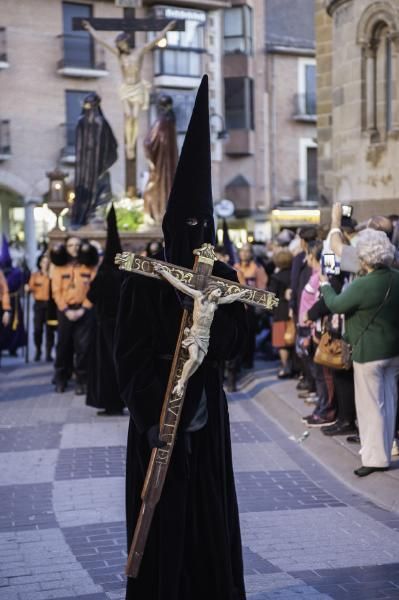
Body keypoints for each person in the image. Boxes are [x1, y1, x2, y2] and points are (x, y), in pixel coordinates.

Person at [114, 75, 247, 600]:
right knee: (162, 528)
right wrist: (150, 419)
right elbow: (128, 357)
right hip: (160, 426)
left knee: (206, 524)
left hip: (206, 419)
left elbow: (235, 345)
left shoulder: (227, 280)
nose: (195, 237)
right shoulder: (146, 278)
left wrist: (214, 321)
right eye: (186, 226)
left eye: (202, 226)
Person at [320, 229, 399, 476]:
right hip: (393, 350)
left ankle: (375, 459)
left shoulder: (364, 284)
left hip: (368, 352)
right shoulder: (396, 277)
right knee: (389, 404)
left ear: (364, 258)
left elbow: (336, 304)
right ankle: (386, 450)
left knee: (370, 407)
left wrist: (325, 287)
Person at [83, 20, 176, 160]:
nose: (121, 48)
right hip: (126, 88)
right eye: (119, 46)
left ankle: (132, 143)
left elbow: (156, 39)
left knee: (134, 116)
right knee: (128, 116)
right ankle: (129, 146)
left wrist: (167, 28)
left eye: (122, 45)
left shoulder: (140, 51)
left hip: (137, 87)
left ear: (127, 42)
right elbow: (102, 41)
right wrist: (90, 29)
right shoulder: (120, 55)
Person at [86, 205, 125, 416]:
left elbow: (91, 296)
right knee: (120, 362)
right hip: (124, 325)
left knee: (106, 364)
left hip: (104, 326)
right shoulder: (125, 272)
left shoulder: (103, 273)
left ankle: (110, 403)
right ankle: (120, 402)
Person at [51, 237, 98, 394]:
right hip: (65, 311)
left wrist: (83, 308)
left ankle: (82, 380)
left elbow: (94, 289)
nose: (75, 248)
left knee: (83, 348)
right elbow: (56, 291)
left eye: (78, 245)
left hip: (84, 311)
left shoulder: (89, 266)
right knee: (63, 346)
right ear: (66, 247)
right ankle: (61, 379)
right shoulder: (59, 267)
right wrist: (66, 310)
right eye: (71, 245)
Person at [71, 92, 118, 228]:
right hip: (85, 169)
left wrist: (102, 164)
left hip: (97, 168)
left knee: (100, 191)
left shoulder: (100, 123)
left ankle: (95, 215)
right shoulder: (82, 122)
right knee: (88, 191)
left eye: (90, 104)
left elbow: (111, 145)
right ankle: (86, 217)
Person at [143, 95, 178, 224]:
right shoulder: (171, 121)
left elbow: (149, 142)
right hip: (169, 165)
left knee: (154, 188)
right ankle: (160, 213)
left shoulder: (162, 121)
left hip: (160, 165)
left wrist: (150, 158)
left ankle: (156, 213)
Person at [268, 249, 293, 378]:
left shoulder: (276, 277)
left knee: (282, 342)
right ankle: (293, 366)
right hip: (292, 310)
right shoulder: (294, 274)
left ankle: (285, 366)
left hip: (280, 310)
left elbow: (271, 295)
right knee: (292, 338)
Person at [0, 235, 27, 357]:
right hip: (5, 301)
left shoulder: (16, 272)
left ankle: (13, 347)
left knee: (14, 325)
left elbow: (24, 280)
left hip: (13, 301)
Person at [27, 254, 56, 362]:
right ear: (40, 263)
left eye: (47, 263)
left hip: (50, 306)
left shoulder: (53, 276)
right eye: (44, 262)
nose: (46, 264)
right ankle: (38, 350)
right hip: (39, 305)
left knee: (50, 330)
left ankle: (49, 352)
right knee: (37, 329)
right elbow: (30, 287)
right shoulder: (35, 275)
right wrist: (27, 288)